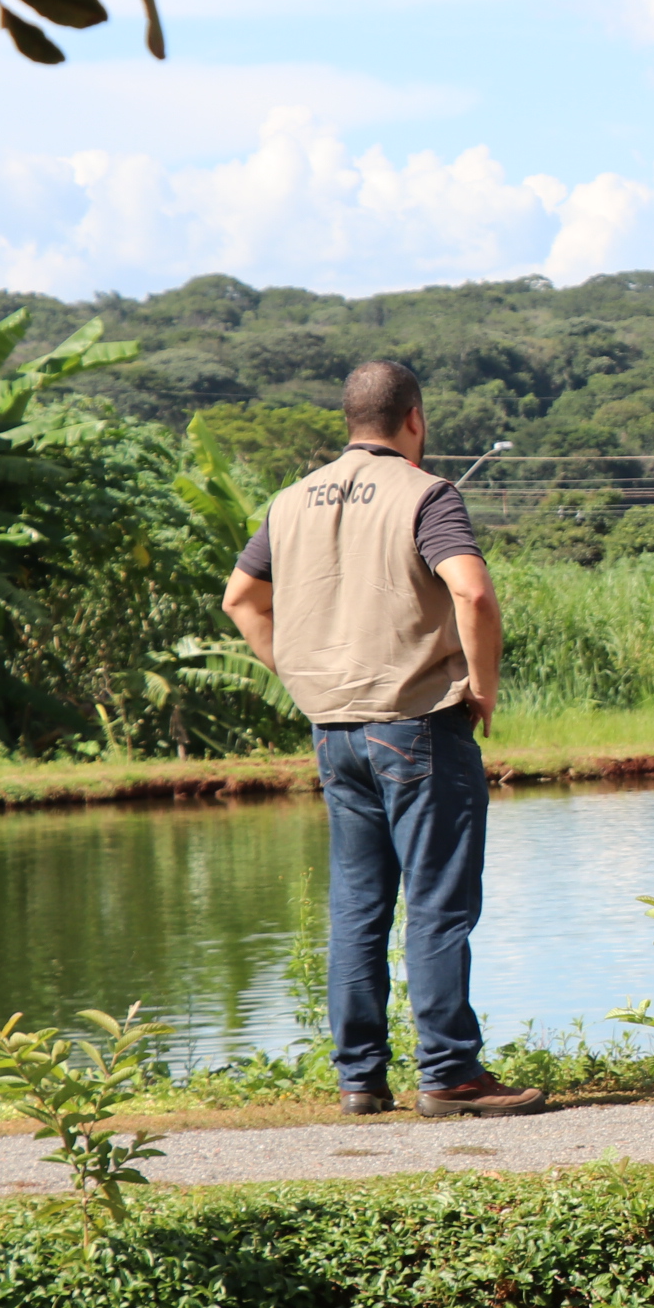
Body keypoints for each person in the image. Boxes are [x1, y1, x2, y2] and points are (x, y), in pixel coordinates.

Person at [218, 360, 544, 1118]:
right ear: (415, 420)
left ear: (349, 419)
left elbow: (242, 598)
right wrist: (483, 686)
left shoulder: (291, 500)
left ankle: (360, 1079)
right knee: (438, 902)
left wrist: (300, 675)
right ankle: (450, 1074)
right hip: (419, 722)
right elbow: (471, 590)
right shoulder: (426, 494)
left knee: (360, 907)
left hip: (335, 729)